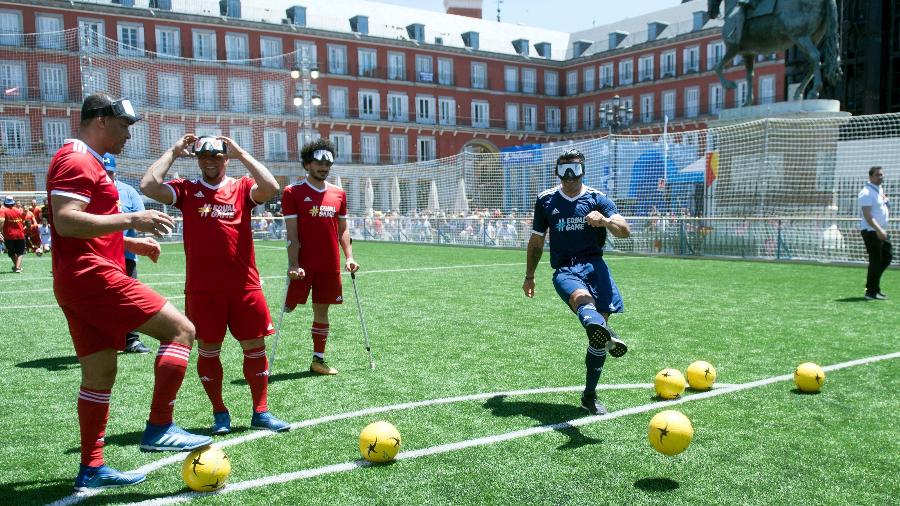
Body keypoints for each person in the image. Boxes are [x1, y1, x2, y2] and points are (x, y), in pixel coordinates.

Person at [47, 93, 211, 491]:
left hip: (79, 278)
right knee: (182, 330)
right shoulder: (77, 159)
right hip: (92, 277)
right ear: (100, 120)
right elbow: (66, 221)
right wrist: (134, 218)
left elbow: (85, 225)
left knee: (100, 375)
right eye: (124, 126)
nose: (128, 136)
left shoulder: (89, 161)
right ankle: (159, 427)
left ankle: (91, 468)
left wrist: (129, 244)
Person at [140, 133, 289, 434]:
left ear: (225, 158)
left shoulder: (241, 187)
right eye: (203, 156)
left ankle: (261, 411)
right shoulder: (187, 190)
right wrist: (174, 149)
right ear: (197, 159)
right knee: (209, 350)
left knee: (255, 347)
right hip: (203, 288)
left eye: (217, 156)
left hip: (245, 285)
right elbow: (148, 185)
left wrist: (241, 152)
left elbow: (271, 188)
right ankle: (219, 412)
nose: (210, 161)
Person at [523, 149, 631, 416]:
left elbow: (625, 231)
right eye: (564, 171)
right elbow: (537, 241)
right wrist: (529, 275)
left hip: (596, 267)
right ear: (556, 172)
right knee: (585, 305)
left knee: (596, 339)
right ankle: (607, 333)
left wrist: (604, 221)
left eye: (575, 170)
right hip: (566, 269)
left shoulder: (598, 199)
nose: (569, 177)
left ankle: (589, 396)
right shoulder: (546, 200)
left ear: (583, 170)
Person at [281, 139, 360, 375]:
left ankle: (318, 360)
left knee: (322, 311)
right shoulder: (292, 192)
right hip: (303, 265)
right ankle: (291, 299)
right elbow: (291, 233)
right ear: (307, 164)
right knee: (287, 307)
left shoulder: (339, 194)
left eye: (328, 164)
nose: (324, 167)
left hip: (329, 264)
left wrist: (349, 257)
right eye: (318, 163)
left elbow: (343, 229)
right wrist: (294, 264)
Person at [103, 153, 151, 354]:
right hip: (98, 256)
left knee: (129, 299)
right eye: (102, 172)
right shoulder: (89, 192)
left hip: (126, 257)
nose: (106, 176)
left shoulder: (128, 192)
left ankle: (131, 340)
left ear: (115, 172)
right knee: (101, 301)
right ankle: (104, 341)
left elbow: (142, 222)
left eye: (109, 172)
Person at [858, 166, 892, 300]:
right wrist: (879, 230)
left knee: (887, 257)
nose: (881, 177)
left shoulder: (879, 190)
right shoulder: (866, 192)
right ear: (870, 177)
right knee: (876, 261)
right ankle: (870, 292)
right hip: (872, 231)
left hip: (880, 230)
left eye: (882, 174)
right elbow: (867, 215)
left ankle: (873, 288)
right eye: (878, 175)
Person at [0, 196, 26, 272]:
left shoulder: (3, 210)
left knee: (11, 252)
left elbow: (1, 221)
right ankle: (17, 267)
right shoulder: (18, 211)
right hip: (20, 234)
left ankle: (17, 267)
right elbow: (22, 221)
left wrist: (0, 232)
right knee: (20, 252)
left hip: (9, 235)